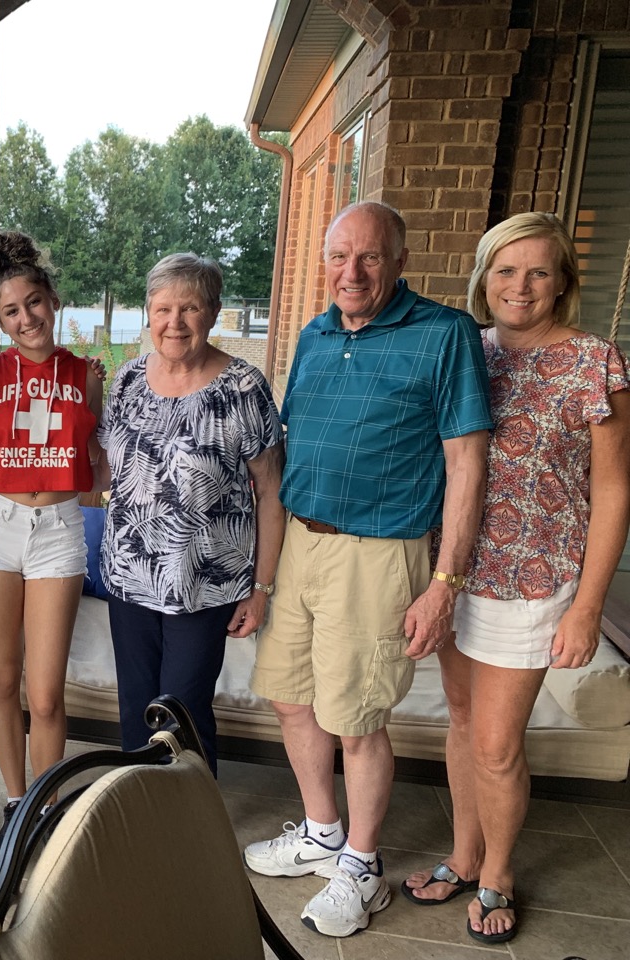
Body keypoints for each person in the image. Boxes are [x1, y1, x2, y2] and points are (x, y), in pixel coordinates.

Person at [242, 201, 492, 938]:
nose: (351, 273)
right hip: (303, 544)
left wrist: (445, 583)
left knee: (356, 718)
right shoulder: (316, 335)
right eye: (339, 257)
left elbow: (466, 461)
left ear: (400, 260)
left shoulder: (444, 336)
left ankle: (360, 864)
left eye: (371, 258)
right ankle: (322, 831)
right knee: (292, 697)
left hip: (379, 551)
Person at [401, 213, 629, 944]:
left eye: (537, 271)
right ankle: (464, 855)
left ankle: (497, 872)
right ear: (483, 277)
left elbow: (616, 488)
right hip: (455, 569)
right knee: (462, 723)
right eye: (505, 270)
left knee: (498, 743)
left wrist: (588, 605)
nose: (520, 286)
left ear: (563, 280)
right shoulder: (466, 349)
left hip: (535, 579)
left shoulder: (596, 360)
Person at [95, 253, 284, 772]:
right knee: (135, 706)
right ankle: (136, 807)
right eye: (162, 309)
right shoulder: (128, 379)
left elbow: (271, 492)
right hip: (129, 576)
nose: (174, 322)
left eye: (189, 308)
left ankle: (189, 822)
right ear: (148, 313)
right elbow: (106, 471)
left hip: (204, 583)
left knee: (184, 711)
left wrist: (260, 589)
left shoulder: (243, 388)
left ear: (214, 312)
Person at [0, 231, 103, 855]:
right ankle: (17, 805)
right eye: (10, 312)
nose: (26, 319)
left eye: (34, 303)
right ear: (0, 323)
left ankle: (47, 806)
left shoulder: (86, 374)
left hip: (58, 531)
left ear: (53, 300)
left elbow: (96, 464)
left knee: (45, 692)